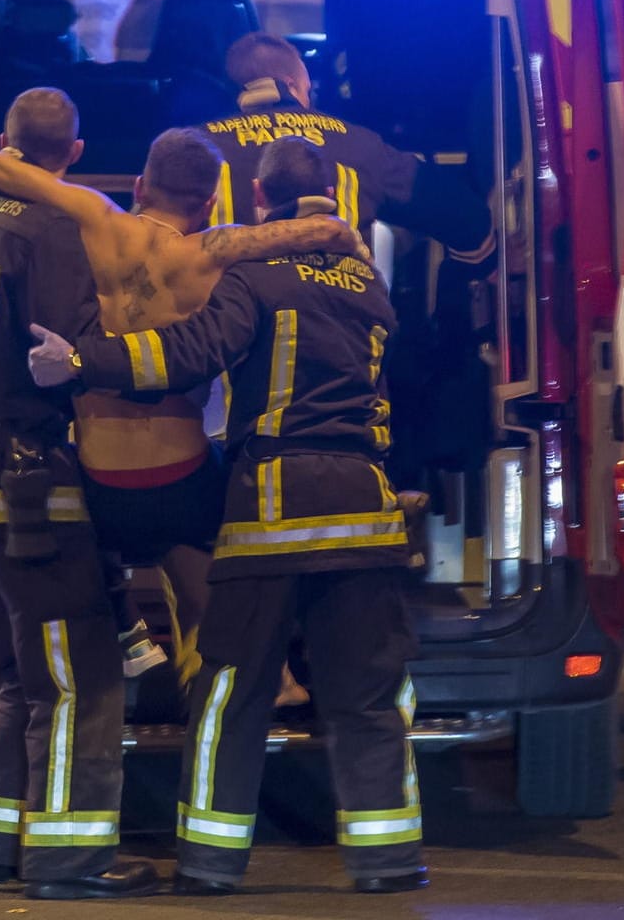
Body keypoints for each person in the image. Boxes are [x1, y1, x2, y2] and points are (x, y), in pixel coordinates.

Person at [29, 137, 427, 895]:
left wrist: (83, 364)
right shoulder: (370, 284)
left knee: (230, 691)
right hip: (366, 510)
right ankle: (390, 859)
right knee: (370, 693)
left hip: (274, 509)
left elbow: (186, 355)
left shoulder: (255, 278)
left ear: (260, 198)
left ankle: (211, 864)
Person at [0, 128, 366, 684]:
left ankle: (126, 633)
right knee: (211, 612)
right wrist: (340, 232)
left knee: (76, 555)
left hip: (100, 477)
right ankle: (240, 691)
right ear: (207, 202)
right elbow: (318, 231)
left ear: (140, 184)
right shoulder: (213, 248)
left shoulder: (97, 218)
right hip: (182, 476)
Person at [0, 88, 158, 900]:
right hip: (28, 485)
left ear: (4, 142)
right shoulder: (56, 232)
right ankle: (69, 856)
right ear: (75, 155)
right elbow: (69, 351)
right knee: (78, 676)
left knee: (20, 675)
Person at [199, 32, 492, 262]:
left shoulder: (194, 149)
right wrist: (470, 271)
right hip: (338, 330)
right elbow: (466, 218)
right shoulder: (359, 145)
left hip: (230, 331)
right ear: (291, 84)